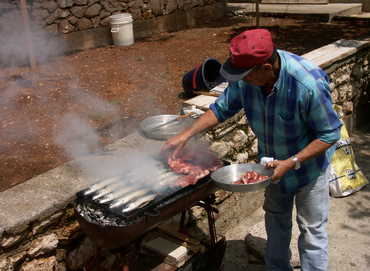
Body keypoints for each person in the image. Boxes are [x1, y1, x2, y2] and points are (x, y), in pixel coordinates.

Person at [162, 28, 342, 271]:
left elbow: (330, 133)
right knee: (276, 220)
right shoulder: (249, 77)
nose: (241, 81)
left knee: (312, 229)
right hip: (271, 167)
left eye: (245, 76)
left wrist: (291, 162)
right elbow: (222, 107)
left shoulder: (307, 84)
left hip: (309, 169)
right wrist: (185, 135)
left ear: (266, 67)